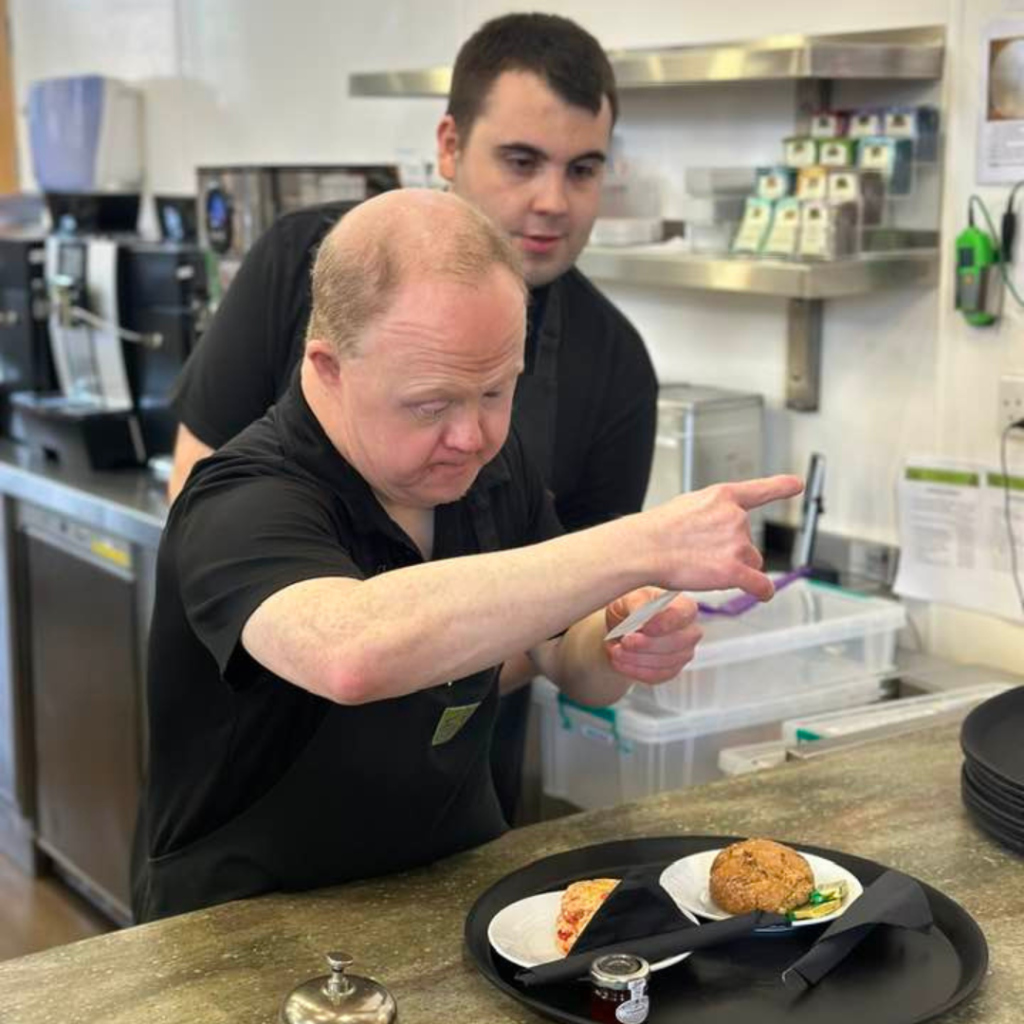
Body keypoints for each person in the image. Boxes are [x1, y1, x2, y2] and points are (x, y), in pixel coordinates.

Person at [132, 189, 801, 921]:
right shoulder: (241, 500)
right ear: (328, 368)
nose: (471, 437)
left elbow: (562, 659)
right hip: (246, 923)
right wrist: (642, 543)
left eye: (495, 390)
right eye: (429, 404)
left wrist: (616, 642)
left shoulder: (492, 467)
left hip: (450, 890)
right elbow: (351, 652)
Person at [169, 14, 656, 823]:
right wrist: (371, 650)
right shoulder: (303, 264)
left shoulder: (615, 367)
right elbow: (197, 513)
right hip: (255, 782)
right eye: (521, 161)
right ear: (450, 145)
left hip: (455, 800)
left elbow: (573, 616)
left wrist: (622, 631)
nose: (551, 201)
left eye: (583, 169)